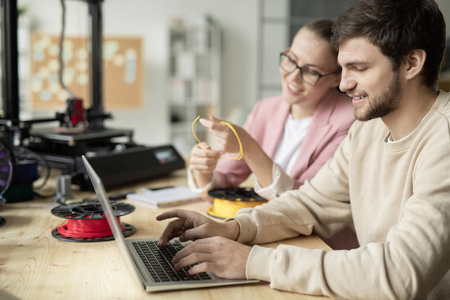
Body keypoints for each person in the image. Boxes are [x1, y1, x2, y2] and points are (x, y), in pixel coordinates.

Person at [157, 0, 450, 298]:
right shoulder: (369, 129)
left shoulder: (444, 141)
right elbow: (309, 204)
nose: (345, 84)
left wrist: (252, 261)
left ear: (412, 63)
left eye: (358, 68)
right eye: (344, 68)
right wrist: (233, 229)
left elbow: (400, 275)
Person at [188, 19, 355, 202]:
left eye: (311, 71)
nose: (292, 77)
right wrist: (202, 168)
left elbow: (308, 201)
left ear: (336, 78)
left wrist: (249, 146)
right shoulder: (265, 109)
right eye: (291, 60)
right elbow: (225, 183)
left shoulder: (350, 122)